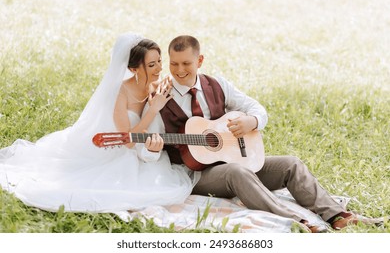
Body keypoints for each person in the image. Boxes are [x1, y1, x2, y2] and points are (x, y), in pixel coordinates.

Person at [137, 35, 381, 232]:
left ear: (199, 60)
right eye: (174, 63)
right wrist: (151, 149)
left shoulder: (217, 84)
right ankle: (295, 220)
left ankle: (338, 216)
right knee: (237, 171)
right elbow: (146, 151)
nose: (179, 70)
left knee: (290, 164)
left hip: (233, 159)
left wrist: (250, 121)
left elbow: (256, 108)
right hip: (194, 174)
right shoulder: (160, 97)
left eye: (186, 63)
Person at [0, 33, 195, 213]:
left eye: (160, 61)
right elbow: (127, 141)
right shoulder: (121, 93)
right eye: (152, 65)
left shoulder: (158, 84)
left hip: (144, 148)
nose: (160, 68)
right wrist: (153, 110)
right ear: (133, 69)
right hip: (115, 150)